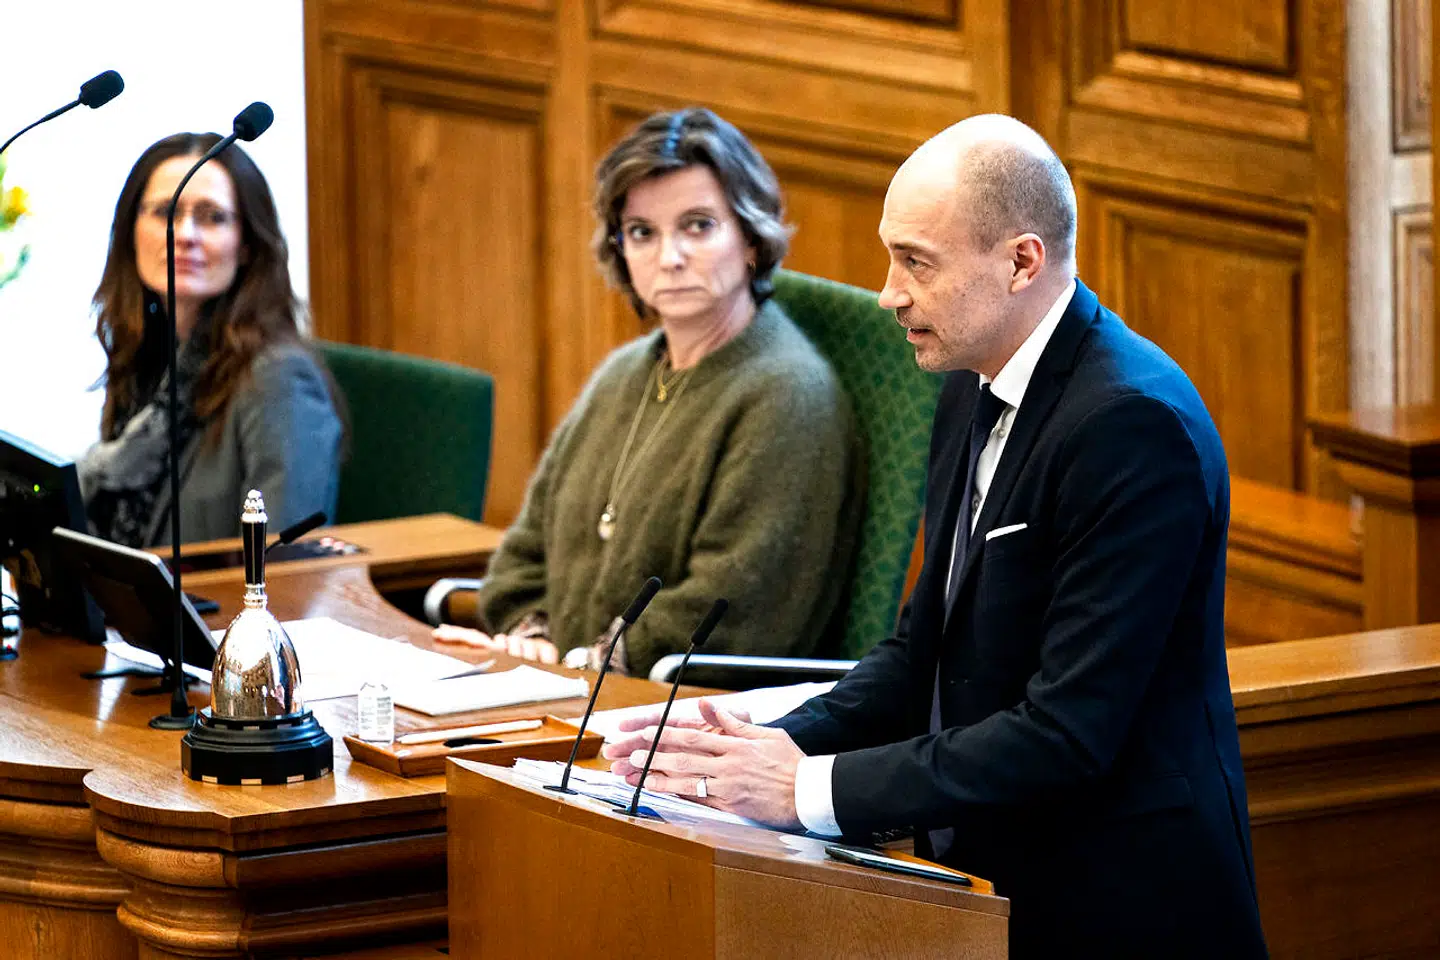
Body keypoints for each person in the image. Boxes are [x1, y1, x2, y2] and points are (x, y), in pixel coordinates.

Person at [603, 115, 1268, 957]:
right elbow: (924, 648)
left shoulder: (1131, 427)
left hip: (1121, 902)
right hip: (985, 879)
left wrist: (807, 787)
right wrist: (777, 742)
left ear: (1022, 262)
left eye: (916, 261)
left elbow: (1067, 733)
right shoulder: (967, 380)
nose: (888, 293)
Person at [433, 108, 861, 678]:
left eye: (699, 225)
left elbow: (729, 607)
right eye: (643, 233)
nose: (670, 257)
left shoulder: (788, 396)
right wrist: (529, 633)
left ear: (752, 238)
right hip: (566, 694)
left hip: (679, 720)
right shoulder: (622, 372)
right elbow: (523, 554)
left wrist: (573, 667)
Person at [78, 133, 343, 547]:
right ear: (130, 231)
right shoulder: (147, 358)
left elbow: (283, 563)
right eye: (166, 212)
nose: (185, 234)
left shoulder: (278, 379)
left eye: (212, 217)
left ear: (246, 247)